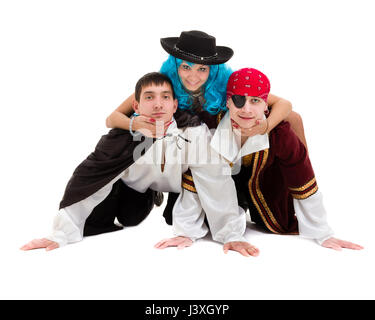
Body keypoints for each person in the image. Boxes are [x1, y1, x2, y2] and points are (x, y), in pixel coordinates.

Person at [21, 72, 253, 255]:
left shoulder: (193, 130)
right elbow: (89, 176)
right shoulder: (120, 138)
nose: (158, 104)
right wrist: (59, 234)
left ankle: (172, 204)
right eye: (149, 97)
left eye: (165, 97)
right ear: (136, 107)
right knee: (128, 218)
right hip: (134, 187)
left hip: (178, 185)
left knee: (192, 216)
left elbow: (214, 178)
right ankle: (150, 195)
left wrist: (230, 234)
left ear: (174, 105)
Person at [169, 67, 363, 252]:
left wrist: (323, 232)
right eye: (238, 100)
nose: (246, 110)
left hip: (264, 187)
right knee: (207, 210)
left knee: (277, 221)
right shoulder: (209, 124)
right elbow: (197, 178)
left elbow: (302, 178)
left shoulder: (281, 134)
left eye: (255, 101)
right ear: (227, 101)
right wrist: (187, 231)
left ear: (265, 104)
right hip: (220, 187)